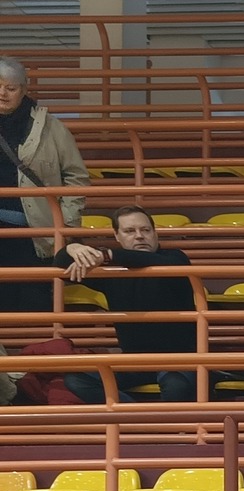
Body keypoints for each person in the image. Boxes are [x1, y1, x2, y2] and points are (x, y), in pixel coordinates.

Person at [62, 207, 200, 404]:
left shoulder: (175, 257)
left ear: (155, 233)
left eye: (145, 230)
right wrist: (73, 248)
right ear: (117, 236)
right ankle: (136, 416)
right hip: (133, 360)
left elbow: (154, 262)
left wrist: (108, 255)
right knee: (77, 379)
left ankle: (152, 422)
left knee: (176, 385)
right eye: (129, 231)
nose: (139, 236)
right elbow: (60, 267)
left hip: (179, 359)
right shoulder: (112, 271)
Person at [0, 57, 98, 317]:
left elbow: (76, 177)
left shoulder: (51, 127)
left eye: (11, 88)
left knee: (34, 307)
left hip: (37, 234)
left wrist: (66, 224)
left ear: (24, 89)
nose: (2, 93)